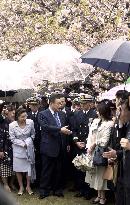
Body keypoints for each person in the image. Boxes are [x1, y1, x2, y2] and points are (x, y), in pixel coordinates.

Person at [38, 93, 72, 199]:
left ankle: (57, 190)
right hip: (48, 147)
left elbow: (65, 129)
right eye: (58, 103)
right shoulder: (43, 114)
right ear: (51, 103)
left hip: (60, 146)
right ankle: (44, 191)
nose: (60, 105)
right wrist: (59, 129)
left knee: (58, 170)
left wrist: (66, 143)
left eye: (61, 103)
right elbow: (45, 127)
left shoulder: (62, 114)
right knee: (46, 170)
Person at [103, 90, 130, 205]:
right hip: (122, 171)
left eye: (121, 110)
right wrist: (116, 153)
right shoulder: (126, 125)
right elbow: (121, 142)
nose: (118, 113)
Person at [85, 100, 114, 205]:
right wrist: (89, 147)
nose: (96, 112)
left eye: (98, 110)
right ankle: (98, 195)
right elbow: (90, 135)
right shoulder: (95, 121)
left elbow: (105, 141)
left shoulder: (110, 124)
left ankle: (103, 198)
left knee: (101, 175)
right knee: (95, 174)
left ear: (103, 111)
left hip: (102, 152)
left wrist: (94, 144)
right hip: (93, 152)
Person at [72, 94, 97, 200]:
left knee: (89, 168)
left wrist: (87, 143)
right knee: (80, 168)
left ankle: (89, 191)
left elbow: (95, 132)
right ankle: (81, 190)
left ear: (90, 104)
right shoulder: (77, 114)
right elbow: (74, 129)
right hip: (79, 145)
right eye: (81, 103)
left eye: (84, 103)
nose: (82, 105)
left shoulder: (95, 114)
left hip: (89, 145)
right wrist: (76, 141)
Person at [9, 107, 35, 195]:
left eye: (25, 116)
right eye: (22, 117)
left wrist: (28, 142)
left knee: (28, 169)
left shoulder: (30, 122)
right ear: (17, 117)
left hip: (29, 149)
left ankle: (28, 186)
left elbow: (33, 135)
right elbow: (12, 139)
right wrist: (22, 143)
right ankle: (21, 187)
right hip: (18, 150)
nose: (24, 119)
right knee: (18, 170)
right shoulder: (12, 125)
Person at [27, 97, 41, 186]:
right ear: (29, 105)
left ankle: (39, 180)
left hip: (41, 141)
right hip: (30, 142)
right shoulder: (27, 115)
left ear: (39, 105)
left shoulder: (42, 114)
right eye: (32, 105)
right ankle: (32, 181)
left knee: (40, 162)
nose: (34, 107)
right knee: (31, 161)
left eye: (36, 105)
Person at [0, 102, 14, 192]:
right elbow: (0, 137)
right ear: (7, 112)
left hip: (14, 148)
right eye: (12, 112)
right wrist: (0, 150)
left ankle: (12, 183)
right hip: (4, 147)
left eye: (14, 112)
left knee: (14, 167)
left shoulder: (15, 122)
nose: (14, 114)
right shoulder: (2, 122)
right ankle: (5, 185)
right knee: (4, 166)